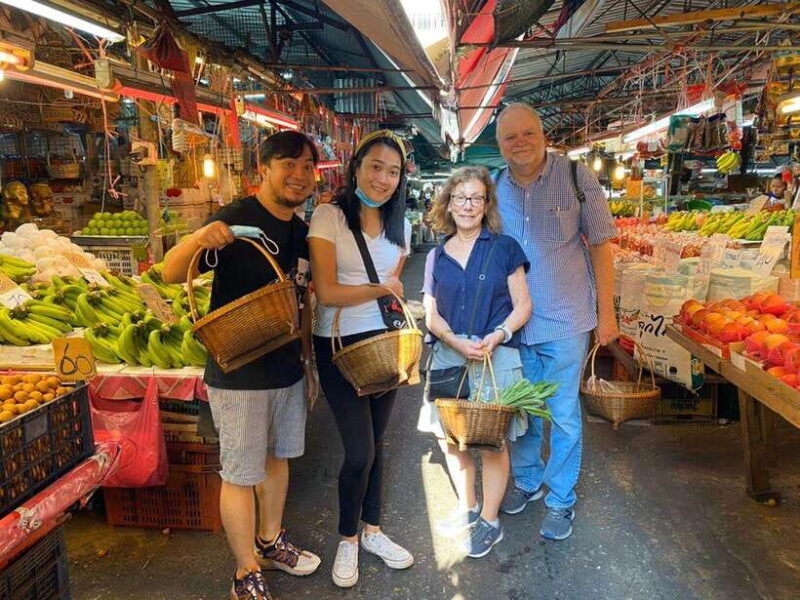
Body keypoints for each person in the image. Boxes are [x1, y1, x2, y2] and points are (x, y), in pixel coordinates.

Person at [162, 131, 322, 600]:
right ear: (264, 169)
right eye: (289, 164)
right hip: (239, 371)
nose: (299, 174)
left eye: (308, 166)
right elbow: (172, 271)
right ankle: (244, 571)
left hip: (287, 367)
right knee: (240, 472)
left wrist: (308, 363)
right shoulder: (237, 217)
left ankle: (271, 541)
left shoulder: (301, 227)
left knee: (278, 459)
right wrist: (197, 238)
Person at [494, 103, 618, 541]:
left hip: (567, 318)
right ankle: (527, 481)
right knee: (523, 409)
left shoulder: (576, 177)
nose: (520, 142)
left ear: (543, 134)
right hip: (514, 323)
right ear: (499, 145)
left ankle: (561, 497)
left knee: (562, 412)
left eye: (528, 133)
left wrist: (609, 315)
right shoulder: (494, 187)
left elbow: (602, 245)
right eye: (510, 137)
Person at [308, 129, 414, 588]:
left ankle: (373, 531)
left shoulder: (401, 225)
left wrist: (389, 295)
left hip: (384, 342)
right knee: (359, 450)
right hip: (337, 343)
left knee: (377, 440)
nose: (383, 178)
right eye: (376, 167)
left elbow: (394, 293)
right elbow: (327, 292)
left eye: (393, 171)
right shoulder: (328, 216)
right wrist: (379, 289)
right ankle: (347, 538)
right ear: (356, 167)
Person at [417, 166, 531, 558]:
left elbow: (523, 307)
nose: (468, 205)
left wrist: (498, 335)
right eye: (460, 197)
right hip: (450, 355)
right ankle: (467, 508)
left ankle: (490, 519)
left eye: (476, 198)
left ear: (487, 205)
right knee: (451, 441)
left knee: (492, 441)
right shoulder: (436, 256)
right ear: (448, 203)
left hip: (494, 355)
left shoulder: (504, 247)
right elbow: (430, 315)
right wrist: (453, 341)